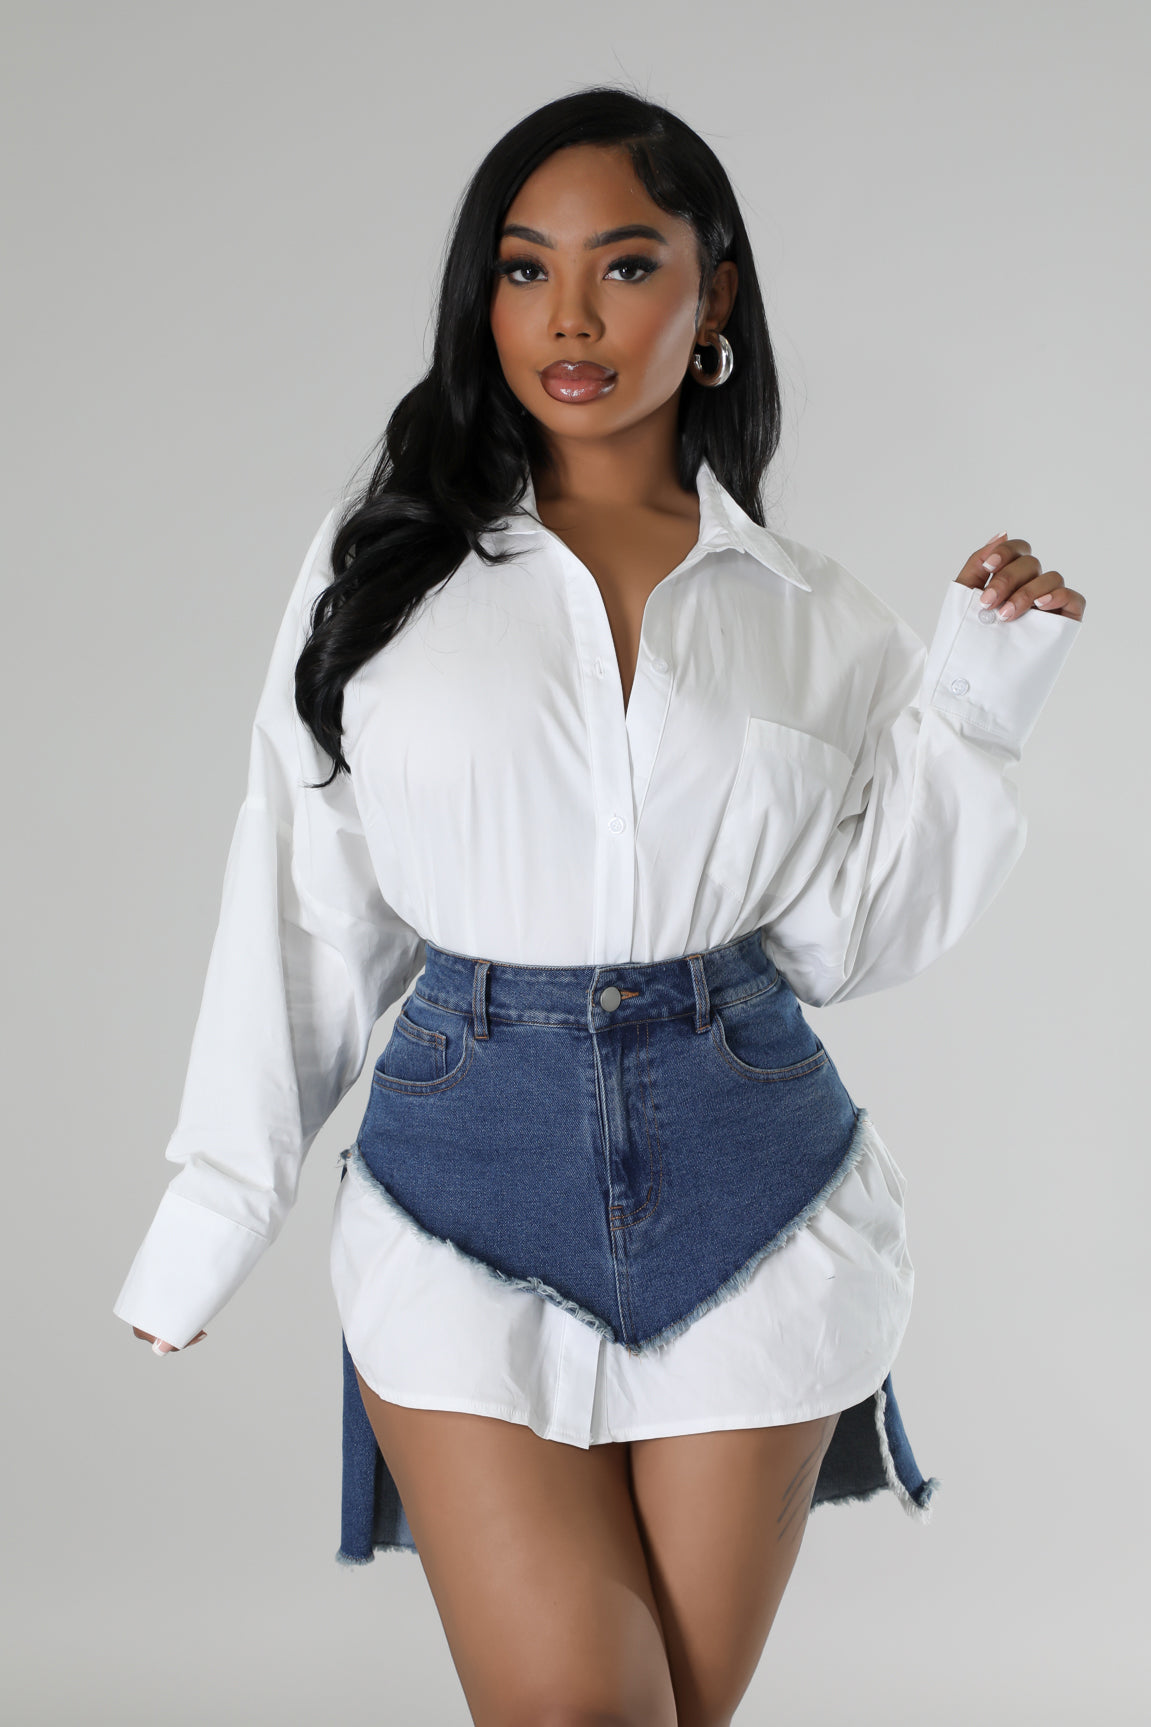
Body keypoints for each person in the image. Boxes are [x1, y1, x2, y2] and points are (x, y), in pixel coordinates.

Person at [113, 87, 1084, 1727]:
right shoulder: (388, 572)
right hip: (462, 1191)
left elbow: (840, 942)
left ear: (714, 297)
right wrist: (214, 1211)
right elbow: (304, 897)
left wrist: (980, 705)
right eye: (524, 269)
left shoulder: (816, 617)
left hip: (756, 1192)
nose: (568, 317)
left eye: (625, 267)